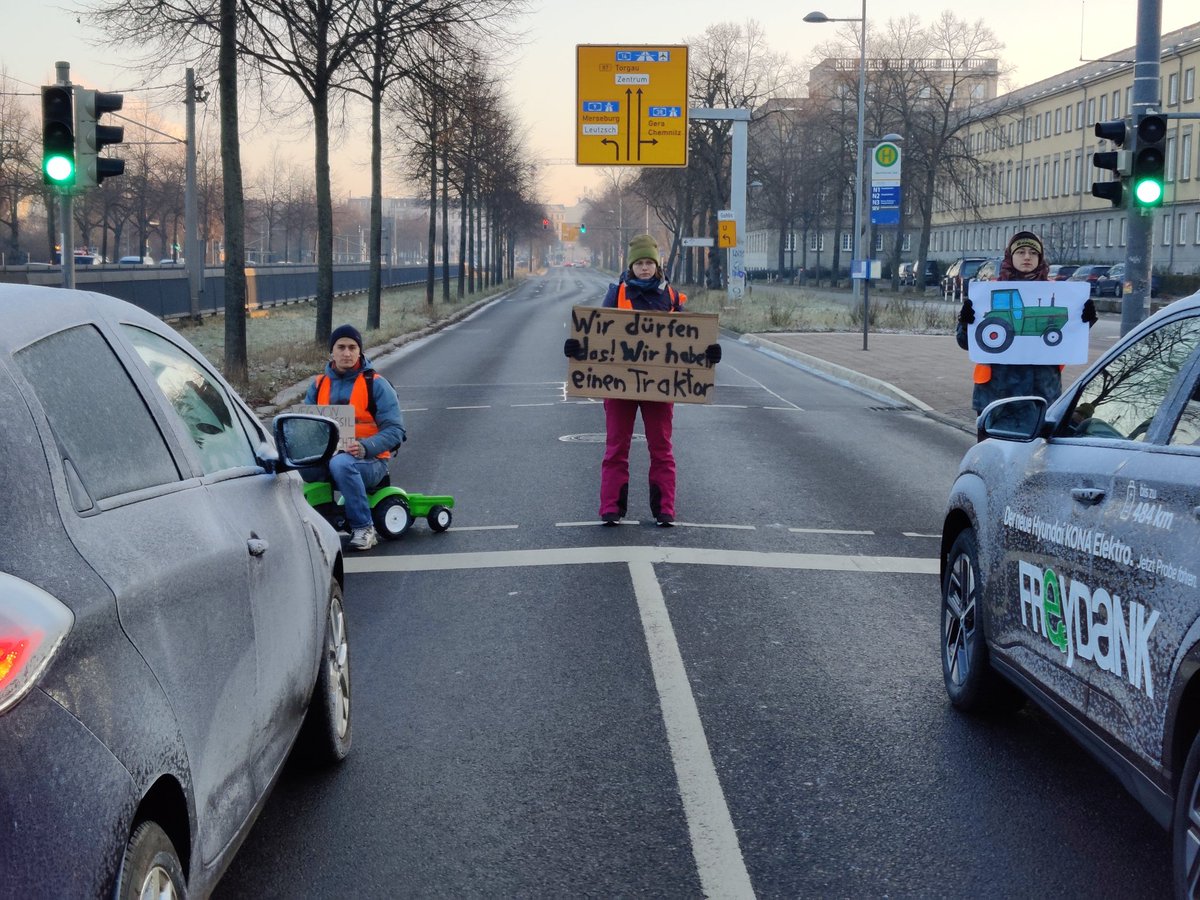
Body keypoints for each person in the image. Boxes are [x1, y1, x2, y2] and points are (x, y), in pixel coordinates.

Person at [564, 234, 721, 527]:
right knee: (615, 448)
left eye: (650, 263)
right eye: (640, 263)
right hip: (619, 387)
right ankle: (610, 508)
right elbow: (597, 331)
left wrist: (708, 352)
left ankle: (665, 509)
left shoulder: (670, 296)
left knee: (661, 448)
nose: (645, 268)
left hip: (659, 390)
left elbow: (690, 337)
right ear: (631, 265)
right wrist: (577, 349)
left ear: (657, 265)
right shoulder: (616, 293)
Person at [956, 230, 1097, 421]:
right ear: (1010, 256)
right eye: (1021, 252)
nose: (1027, 257)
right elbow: (965, 342)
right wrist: (966, 322)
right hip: (996, 395)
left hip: (1042, 393)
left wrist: (1084, 321)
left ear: (1040, 258)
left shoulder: (1060, 292)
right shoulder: (987, 292)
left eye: (1033, 253)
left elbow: (1069, 340)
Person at [303, 324, 406, 550]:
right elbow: (307, 427)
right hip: (328, 457)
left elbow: (396, 431)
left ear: (360, 351)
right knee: (294, 467)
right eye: (341, 347)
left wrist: (365, 447)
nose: (346, 353)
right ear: (332, 351)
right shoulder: (318, 385)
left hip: (370, 461)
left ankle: (364, 527)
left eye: (352, 347)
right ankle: (309, 524)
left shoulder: (376, 384)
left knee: (341, 463)